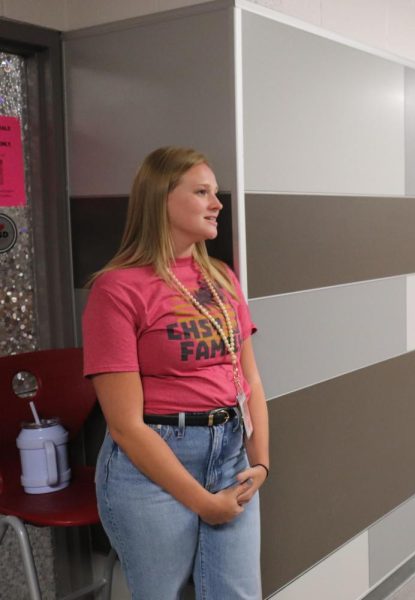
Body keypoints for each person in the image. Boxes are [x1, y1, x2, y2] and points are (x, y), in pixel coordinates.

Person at [82, 147, 269, 598]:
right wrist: (203, 503)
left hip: (229, 456)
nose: (217, 202)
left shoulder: (222, 277)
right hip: (153, 466)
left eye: (214, 192)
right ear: (161, 200)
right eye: (201, 191)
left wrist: (260, 461)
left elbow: (251, 380)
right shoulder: (117, 289)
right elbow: (125, 426)